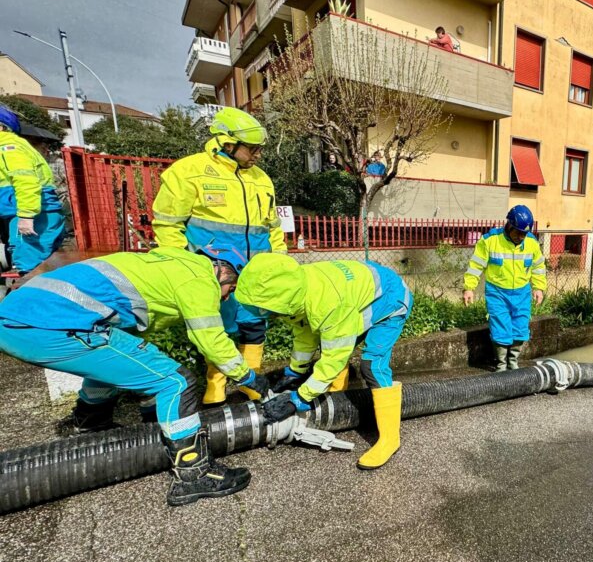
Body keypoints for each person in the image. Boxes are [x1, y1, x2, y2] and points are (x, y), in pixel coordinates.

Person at [0, 246, 269, 505]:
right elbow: (212, 342)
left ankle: (92, 425)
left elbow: (137, 342)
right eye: (230, 290)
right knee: (176, 382)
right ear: (223, 272)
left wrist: (151, 408)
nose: (225, 298)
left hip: (18, 319)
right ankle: (194, 473)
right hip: (48, 325)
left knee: (115, 364)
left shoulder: (171, 265)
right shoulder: (199, 281)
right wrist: (249, 378)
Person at [152, 107, 286, 406]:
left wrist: (279, 259)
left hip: (256, 271)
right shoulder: (188, 172)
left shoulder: (262, 179)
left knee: (254, 325)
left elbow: (273, 226)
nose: (258, 156)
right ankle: (216, 388)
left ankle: (252, 384)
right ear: (227, 144)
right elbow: (167, 224)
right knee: (218, 329)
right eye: (252, 149)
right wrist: (185, 267)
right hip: (215, 272)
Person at [234, 253, 412, 470]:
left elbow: (333, 358)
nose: (269, 316)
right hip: (357, 297)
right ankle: (339, 407)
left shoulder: (328, 304)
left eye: (268, 312)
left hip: (390, 301)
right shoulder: (296, 288)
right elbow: (304, 334)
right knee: (335, 349)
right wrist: (294, 372)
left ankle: (389, 439)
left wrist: (299, 399)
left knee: (372, 365)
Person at [462, 205, 546, 371]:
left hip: (522, 292)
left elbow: (538, 267)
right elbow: (476, 266)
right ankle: (501, 365)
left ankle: (513, 363)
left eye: (525, 233)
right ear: (509, 225)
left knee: (521, 327)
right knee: (500, 327)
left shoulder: (531, 243)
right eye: (518, 232)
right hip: (497, 292)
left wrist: (538, 288)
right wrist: (469, 288)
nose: (521, 237)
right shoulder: (490, 240)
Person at [0, 105, 66, 276]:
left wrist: (26, 216)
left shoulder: (7, 147)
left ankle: (35, 301)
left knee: (31, 269)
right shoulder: (18, 146)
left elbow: (25, 180)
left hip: (33, 215)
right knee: (45, 267)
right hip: (40, 212)